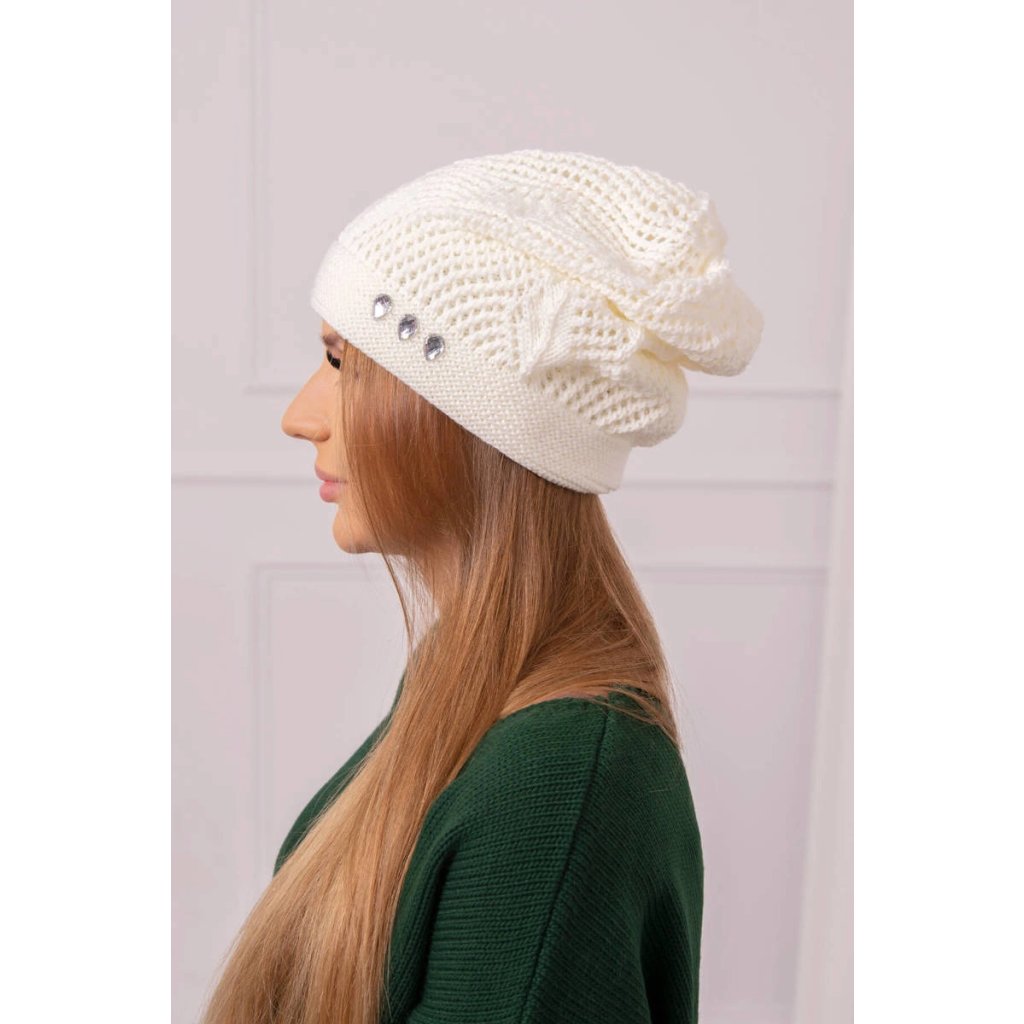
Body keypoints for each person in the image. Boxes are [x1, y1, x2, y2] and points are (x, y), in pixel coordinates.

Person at [199, 148, 763, 1024]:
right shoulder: (468, 682)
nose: (300, 416)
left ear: (462, 416)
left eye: (345, 365)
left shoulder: (556, 786)